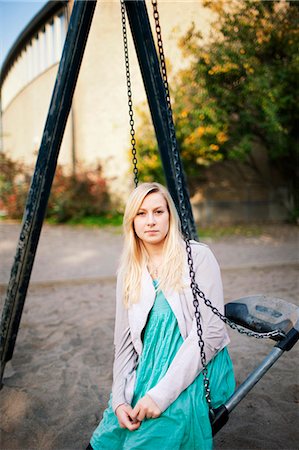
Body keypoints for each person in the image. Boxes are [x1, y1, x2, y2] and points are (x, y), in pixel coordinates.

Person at [87, 182, 235, 450]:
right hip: (150, 365)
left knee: (148, 439)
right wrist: (119, 399)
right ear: (131, 222)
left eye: (158, 212)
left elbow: (210, 334)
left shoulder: (197, 257)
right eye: (141, 214)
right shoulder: (128, 272)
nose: (151, 221)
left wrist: (161, 394)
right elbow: (124, 345)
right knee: (107, 437)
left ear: (170, 216)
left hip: (198, 364)